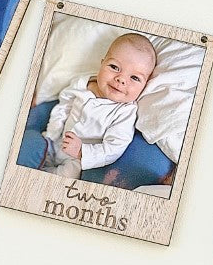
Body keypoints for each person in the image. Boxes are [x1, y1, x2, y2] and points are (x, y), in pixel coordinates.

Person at [41, 33, 156, 178]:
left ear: (145, 84)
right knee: (31, 148)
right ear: (102, 63)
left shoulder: (125, 112)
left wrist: (81, 151)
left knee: (68, 175)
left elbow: (113, 148)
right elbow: (64, 104)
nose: (120, 79)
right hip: (54, 141)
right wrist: (52, 132)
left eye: (134, 78)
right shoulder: (83, 84)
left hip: (76, 158)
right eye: (114, 67)